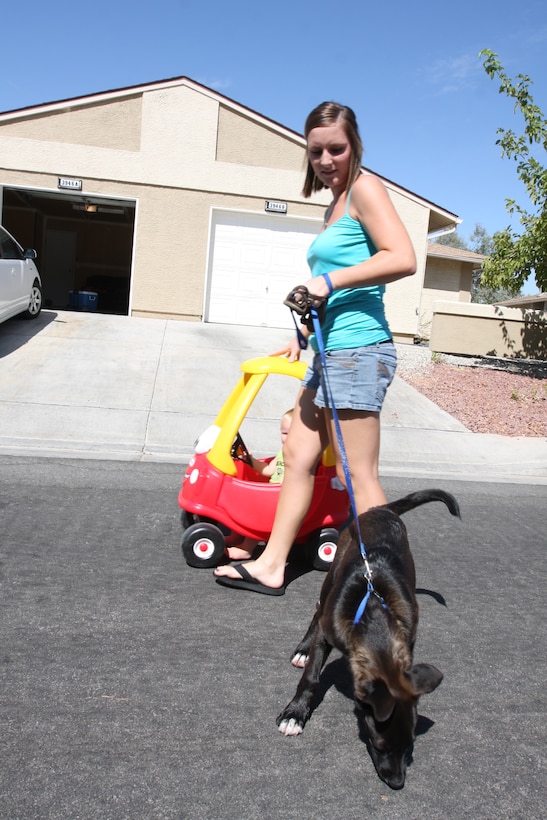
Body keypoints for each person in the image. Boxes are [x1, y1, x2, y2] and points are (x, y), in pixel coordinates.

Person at [214, 101, 416, 595]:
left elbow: (403, 257)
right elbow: (341, 287)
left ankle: (390, 588)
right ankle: (272, 564)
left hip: (359, 351)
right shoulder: (334, 203)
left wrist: (327, 279)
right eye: (316, 151)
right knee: (299, 452)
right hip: (330, 352)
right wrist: (302, 332)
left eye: (336, 149)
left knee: (359, 478)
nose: (326, 160)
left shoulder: (366, 189)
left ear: (355, 146)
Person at [225, 409, 293, 561]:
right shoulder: (283, 451)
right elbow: (268, 470)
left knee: (259, 515)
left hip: (283, 497)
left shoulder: (301, 455)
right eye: (284, 433)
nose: (286, 438)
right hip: (273, 493)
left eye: (291, 433)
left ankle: (247, 548)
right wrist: (250, 459)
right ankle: (237, 536)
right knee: (244, 503)